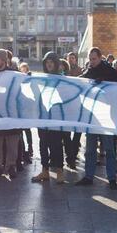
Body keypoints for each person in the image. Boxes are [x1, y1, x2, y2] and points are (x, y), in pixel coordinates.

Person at [75, 47, 117, 190]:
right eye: (90, 59)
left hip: (106, 117)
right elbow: (79, 82)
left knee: (109, 149)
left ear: (100, 57)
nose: (91, 61)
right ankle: (89, 176)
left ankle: (112, 178)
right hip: (92, 117)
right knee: (90, 149)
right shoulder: (89, 71)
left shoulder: (111, 72)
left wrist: (105, 83)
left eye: (94, 59)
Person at [31, 52, 66, 184]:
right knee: (43, 144)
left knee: (56, 145)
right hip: (43, 117)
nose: (49, 64)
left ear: (56, 63)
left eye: (51, 61)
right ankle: (45, 171)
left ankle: (59, 172)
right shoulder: (41, 78)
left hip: (56, 118)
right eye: (47, 62)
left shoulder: (62, 79)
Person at [0, 49, 21, 178]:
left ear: (3, 60)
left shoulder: (13, 74)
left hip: (11, 113)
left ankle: (11, 166)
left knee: (12, 141)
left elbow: (19, 91)